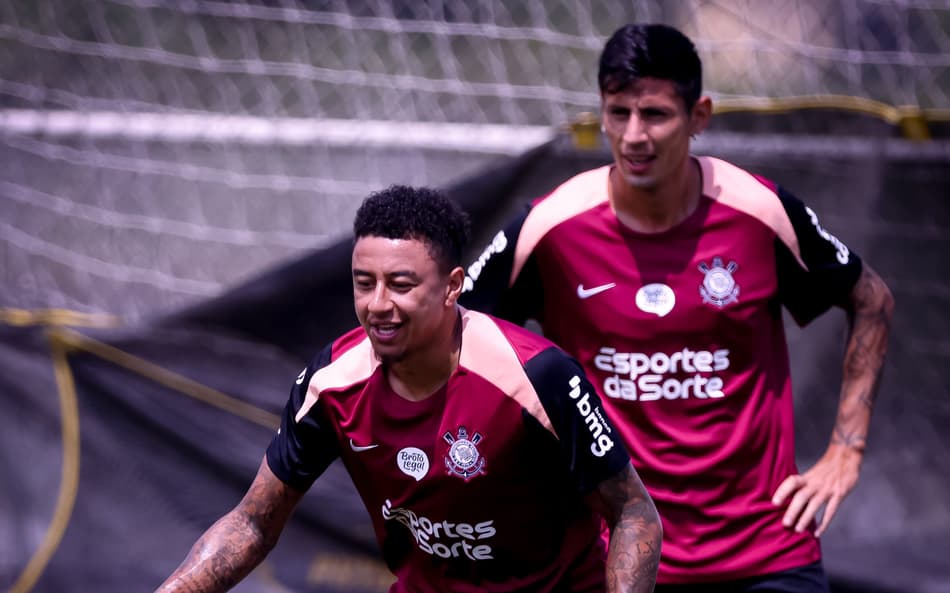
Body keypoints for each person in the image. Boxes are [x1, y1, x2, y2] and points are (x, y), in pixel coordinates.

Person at [460, 23, 894, 592]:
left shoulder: (757, 210)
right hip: (621, 558)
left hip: (765, 553)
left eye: (656, 114)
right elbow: (457, 331)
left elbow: (871, 300)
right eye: (619, 113)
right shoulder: (551, 225)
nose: (634, 135)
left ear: (700, 116)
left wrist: (846, 450)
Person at [155, 185, 662, 593]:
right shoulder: (330, 384)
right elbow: (252, 525)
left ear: (452, 286)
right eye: (363, 283)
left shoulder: (538, 376)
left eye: (400, 284)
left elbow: (634, 513)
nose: (377, 304)